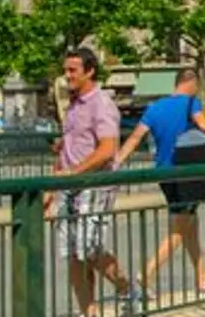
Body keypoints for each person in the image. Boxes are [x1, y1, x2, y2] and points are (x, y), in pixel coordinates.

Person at [49, 47, 142, 317]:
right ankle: (89, 312)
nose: (67, 76)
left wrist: (74, 172)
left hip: (95, 185)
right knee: (72, 254)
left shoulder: (101, 103)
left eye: (72, 70)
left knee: (90, 248)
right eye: (66, 70)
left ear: (89, 71)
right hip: (69, 186)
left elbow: (107, 149)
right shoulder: (73, 105)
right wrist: (51, 187)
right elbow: (66, 148)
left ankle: (126, 288)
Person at [115, 69, 205, 294]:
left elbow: (135, 138)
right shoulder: (193, 103)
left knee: (190, 225)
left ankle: (203, 279)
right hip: (187, 174)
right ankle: (145, 276)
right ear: (191, 83)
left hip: (164, 174)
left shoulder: (155, 107)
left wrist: (117, 162)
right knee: (180, 230)